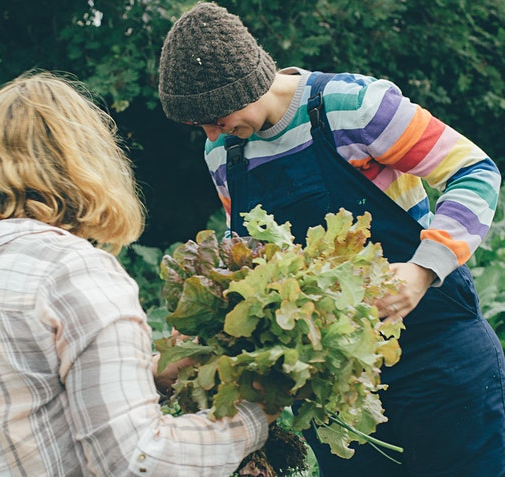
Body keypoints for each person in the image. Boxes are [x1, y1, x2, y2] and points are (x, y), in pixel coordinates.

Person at [158, 3, 505, 477]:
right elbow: (252, 258)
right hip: (339, 389)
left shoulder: (350, 105)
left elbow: (475, 170)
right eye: (199, 125)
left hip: (440, 359)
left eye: (218, 116)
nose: (211, 132)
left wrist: (424, 269)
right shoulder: (224, 152)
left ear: (250, 82)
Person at [0, 70, 276, 477]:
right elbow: (137, 462)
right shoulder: (73, 272)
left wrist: (149, 374)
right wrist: (254, 416)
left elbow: (19, 405)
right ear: (85, 161)